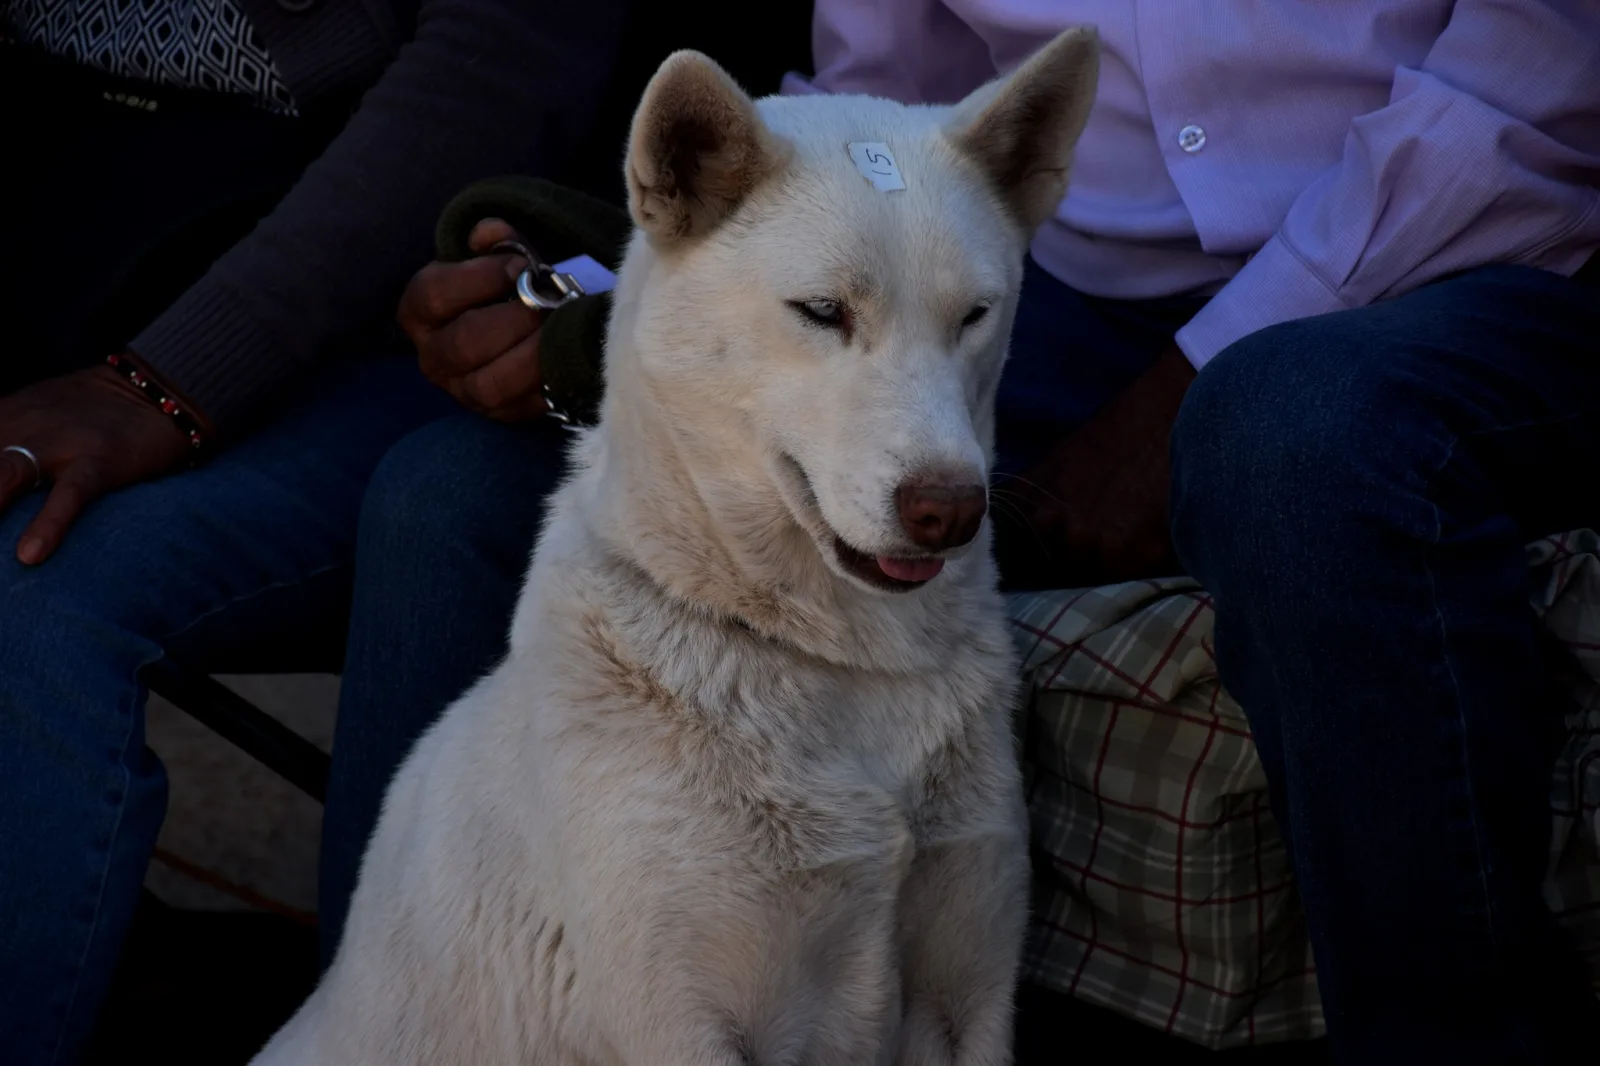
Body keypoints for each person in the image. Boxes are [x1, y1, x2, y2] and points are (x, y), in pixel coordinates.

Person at [323, 2, 1600, 1062]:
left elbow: (1530, 107)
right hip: (1013, 284)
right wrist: (619, 290)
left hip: (1474, 261)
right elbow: (880, 104)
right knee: (455, 497)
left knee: (1290, 435)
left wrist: (1193, 385)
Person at [0, 2, 638, 1062]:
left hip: (361, 319)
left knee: (37, 596)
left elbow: (503, 61)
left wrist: (167, 385)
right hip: (62, 264)